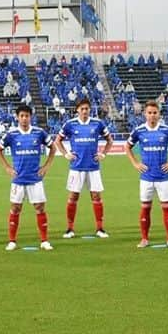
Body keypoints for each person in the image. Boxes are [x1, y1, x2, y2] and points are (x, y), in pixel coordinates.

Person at [125, 101, 168, 248]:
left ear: (159, 114)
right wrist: (135, 163)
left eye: (155, 113)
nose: (152, 115)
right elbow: (127, 146)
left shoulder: (167, 130)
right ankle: (144, 239)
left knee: (167, 207)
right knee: (145, 207)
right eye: (149, 113)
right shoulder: (139, 130)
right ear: (145, 114)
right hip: (146, 176)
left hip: (163, 176)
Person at [0, 104, 55, 251]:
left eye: (27, 116)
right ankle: (12, 241)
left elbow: (53, 148)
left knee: (40, 208)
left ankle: (44, 240)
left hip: (35, 178)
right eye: (21, 116)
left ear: (30, 117)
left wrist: (46, 166)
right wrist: (7, 167)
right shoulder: (11, 134)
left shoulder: (39, 132)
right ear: (17, 117)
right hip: (18, 179)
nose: (24, 119)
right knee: (15, 208)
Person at [55, 98, 113, 238]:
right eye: (82, 109)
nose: (85, 111)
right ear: (77, 110)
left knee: (96, 196)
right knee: (73, 196)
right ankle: (70, 229)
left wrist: (103, 154)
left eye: (87, 108)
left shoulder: (97, 123)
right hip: (76, 167)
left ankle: (100, 229)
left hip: (93, 167)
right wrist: (66, 154)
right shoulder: (70, 124)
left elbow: (109, 140)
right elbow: (58, 140)